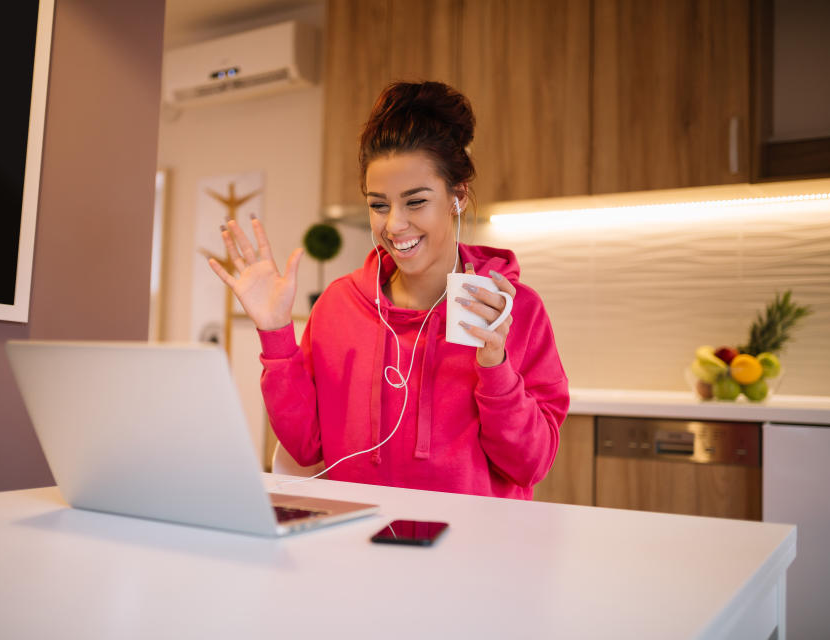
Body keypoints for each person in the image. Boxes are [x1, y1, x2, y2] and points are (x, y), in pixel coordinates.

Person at [209, 81, 569, 499]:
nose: (394, 225)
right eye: (379, 204)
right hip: (360, 547)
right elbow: (305, 448)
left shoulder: (514, 311)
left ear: (457, 195)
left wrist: (495, 366)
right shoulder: (338, 306)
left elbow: (530, 465)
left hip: (473, 552)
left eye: (415, 202)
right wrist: (275, 334)